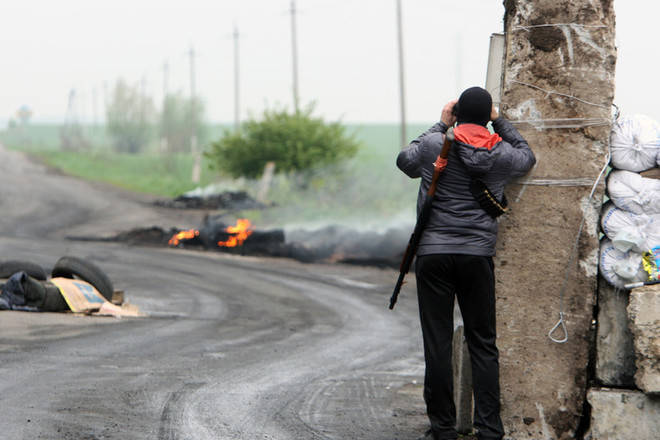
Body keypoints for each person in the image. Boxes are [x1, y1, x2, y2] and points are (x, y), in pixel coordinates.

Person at [396, 87, 535, 440]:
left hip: (433, 254)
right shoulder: (501, 153)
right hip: (477, 255)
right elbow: (527, 157)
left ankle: (443, 428)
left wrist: (439, 124)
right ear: (487, 114)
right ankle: (490, 429)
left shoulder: (435, 145)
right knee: (483, 343)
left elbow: (405, 161)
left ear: (457, 113)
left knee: (438, 342)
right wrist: (500, 120)